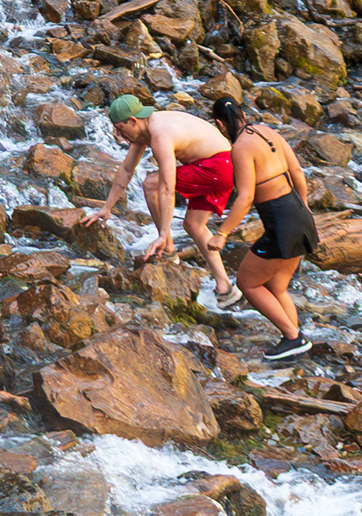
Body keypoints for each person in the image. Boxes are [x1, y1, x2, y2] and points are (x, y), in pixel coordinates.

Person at [199, 94, 317, 345]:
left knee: (247, 283)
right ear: (242, 114)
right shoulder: (267, 131)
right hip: (299, 214)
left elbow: (246, 197)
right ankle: (295, 340)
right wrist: (304, 208)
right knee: (277, 287)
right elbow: (297, 172)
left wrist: (222, 234)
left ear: (220, 125)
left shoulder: (240, 148)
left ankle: (293, 337)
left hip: (281, 224)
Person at [87, 93, 236, 283]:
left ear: (133, 120)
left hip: (217, 166)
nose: (118, 135)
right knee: (193, 225)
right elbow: (126, 169)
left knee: (151, 184)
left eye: (119, 129)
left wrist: (163, 235)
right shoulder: (145, 127)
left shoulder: (160, 135)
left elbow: (166, 187)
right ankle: (225, 286)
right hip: (223, 163)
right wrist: (107, 207)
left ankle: (168, 252)